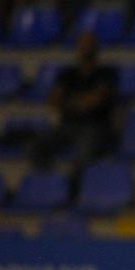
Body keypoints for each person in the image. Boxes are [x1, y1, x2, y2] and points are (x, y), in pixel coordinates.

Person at [30, 32, 118, 189]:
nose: (85, 49)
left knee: (84, 155)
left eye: (89, 46)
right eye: (82, 46)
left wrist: (70, 102)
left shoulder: (107, 73)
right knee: (35, 145)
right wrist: (80, 102)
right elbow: (53, 100)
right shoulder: (66, 75)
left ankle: (71, 189)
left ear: (96, 49)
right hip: (67, 126)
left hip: (95, 127)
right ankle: (51, 181)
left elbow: (96, 99)